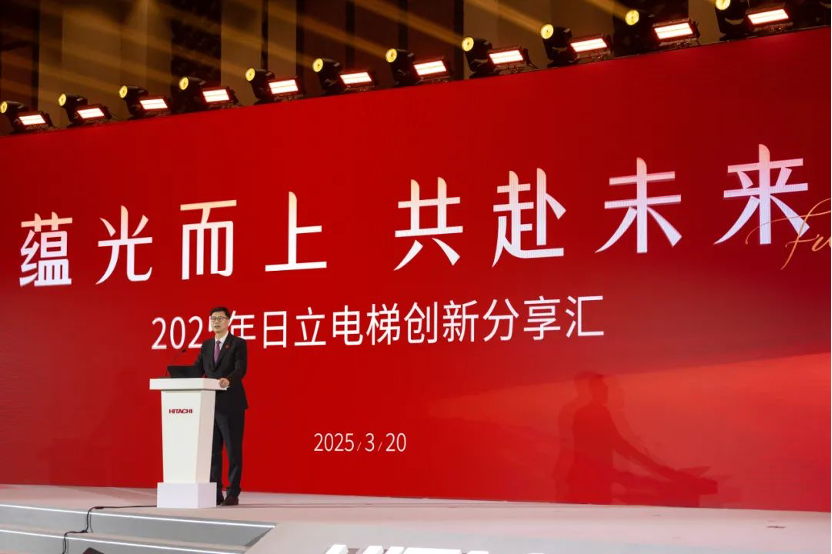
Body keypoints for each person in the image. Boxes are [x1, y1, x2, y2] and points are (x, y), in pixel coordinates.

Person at [194, 306, 248, 506]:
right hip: (209, 404)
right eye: (213, 318)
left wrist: (228, 380)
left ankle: (233, 492)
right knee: (213, 451)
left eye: (219, 318)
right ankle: (215, 492)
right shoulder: (206, 345)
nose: (215, 322)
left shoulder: (238, 343)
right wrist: (181, 376)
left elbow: (241, 369)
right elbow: (198, 369)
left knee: (233, 450)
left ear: (228, 321)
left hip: (231, 403)